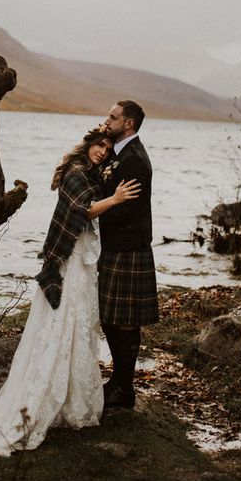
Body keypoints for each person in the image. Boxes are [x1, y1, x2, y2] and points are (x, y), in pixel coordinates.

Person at [0, 128, 140, 460]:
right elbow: (82, 212)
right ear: (88, 144)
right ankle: (47, 397)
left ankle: (71, 398)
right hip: (70, 261)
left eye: (108, 148)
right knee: (61, 324)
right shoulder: (76, 174)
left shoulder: (89, 174)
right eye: (99, 145)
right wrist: (116, 199)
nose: (103, 151)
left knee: (77, 325)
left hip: (83, 259)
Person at [98, 100, 159, 409]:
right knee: (111, 318)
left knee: (123, 321)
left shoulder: (134, 159)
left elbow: (125, 208)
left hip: (127, 248)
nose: (106, 120)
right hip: (119, 247)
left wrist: (90, 217)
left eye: (113, 116)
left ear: (129, 123)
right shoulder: (121, 154)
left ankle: (124, 388)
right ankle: (119, 382)